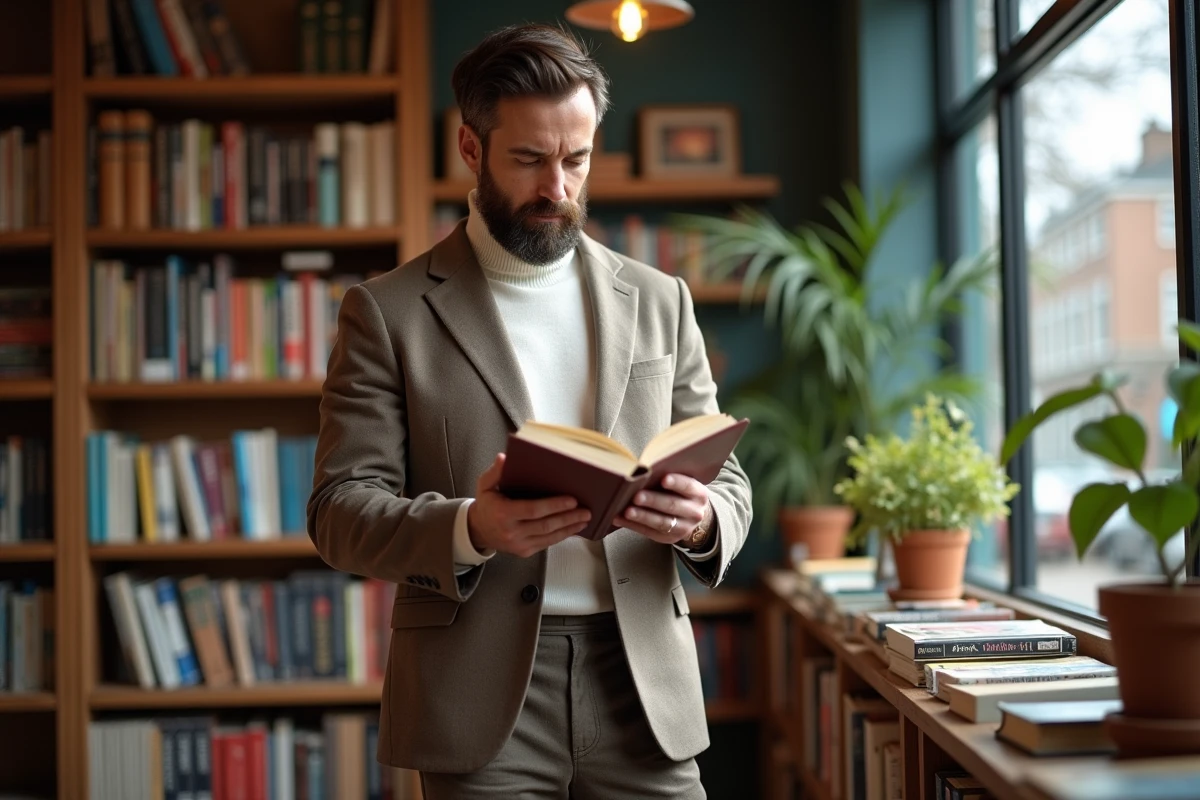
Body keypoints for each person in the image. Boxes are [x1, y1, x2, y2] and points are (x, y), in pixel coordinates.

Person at [307, 22, 752, 800]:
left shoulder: (659, 299)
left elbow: (732, 480)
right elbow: (338, 512)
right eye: (529, 159)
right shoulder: (387, 312)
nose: (557, 188)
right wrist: (470, 529)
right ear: (472, 149)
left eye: (576, 160)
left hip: (643, 682)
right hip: (475, 694)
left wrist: (703, 518)